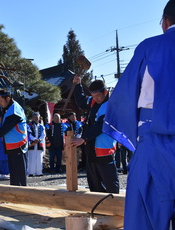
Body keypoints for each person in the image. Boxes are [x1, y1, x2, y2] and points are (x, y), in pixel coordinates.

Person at [103, 1, 175, 228]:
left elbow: (123, 96)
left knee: (146, 211)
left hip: (154, 137)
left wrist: (131, 133)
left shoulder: (150, 47)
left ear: (165, 21)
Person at [70, 78, 119, 194]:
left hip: (104, 148)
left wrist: (83, 138)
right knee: (94, 181)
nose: (96, 98)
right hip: (91, 147)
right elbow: (81, 101)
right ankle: (97, 207)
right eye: (93, 95)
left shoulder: (109, 106)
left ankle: (114, 206)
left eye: (98, 96)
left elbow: (101, 125)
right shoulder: (93, 102)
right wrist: (78, 85)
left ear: (105, 92)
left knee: (109, 181)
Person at [27, 112, 46, 177]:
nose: (36, 118)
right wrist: (34, 139)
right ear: (32, 118)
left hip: (39, 144)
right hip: (32, 143)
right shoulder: (29, 125)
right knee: (31, 158)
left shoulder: (41, 126)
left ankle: (39, 172)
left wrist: (39, 139)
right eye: (34, 117)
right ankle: (31, 172)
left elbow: (43, 134)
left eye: (37, 117)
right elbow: (28, 134)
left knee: (39, 158)